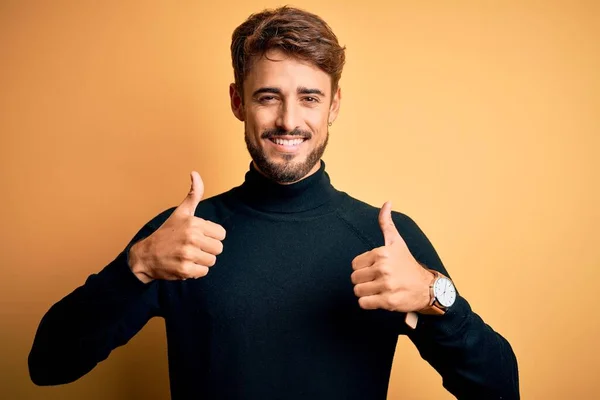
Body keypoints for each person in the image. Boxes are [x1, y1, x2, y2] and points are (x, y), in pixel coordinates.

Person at [28, 6, 519, 399]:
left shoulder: (386, 238)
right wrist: (134, 266)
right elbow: (47, 366)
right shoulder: (182, 238)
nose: (289, 120)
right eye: (268, 97)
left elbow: (501, 389)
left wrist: (436, 294)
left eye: (309, 97)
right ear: (238, 102)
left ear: (335, 106)